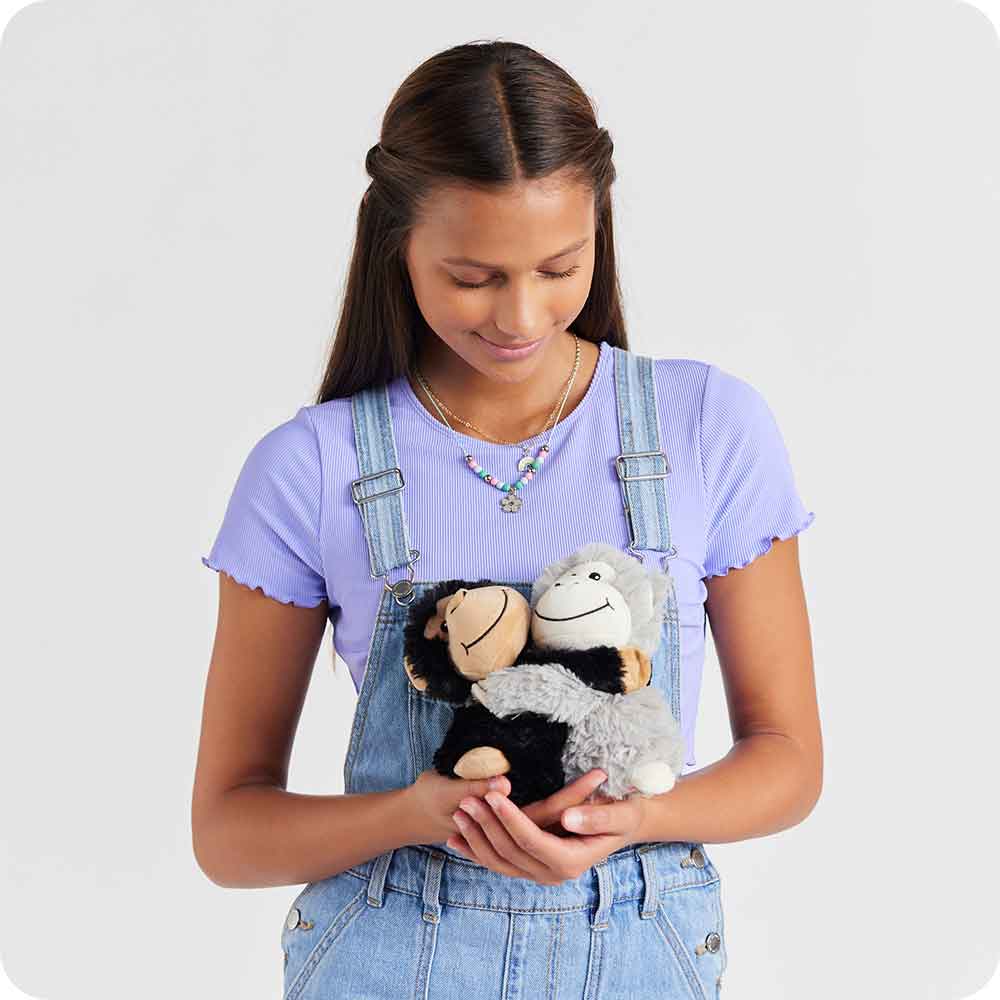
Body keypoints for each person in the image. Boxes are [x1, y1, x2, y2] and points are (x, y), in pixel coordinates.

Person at [191, 39, 821, 999]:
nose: (522, 316)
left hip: (638, 949)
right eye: (474, 277)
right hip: (387, 959)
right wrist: (415, 815)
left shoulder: (706, 427)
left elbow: (789, 761)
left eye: (560, 267)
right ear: (396, 244)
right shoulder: (312, 466)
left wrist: (636, 821)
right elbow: (228, 832)